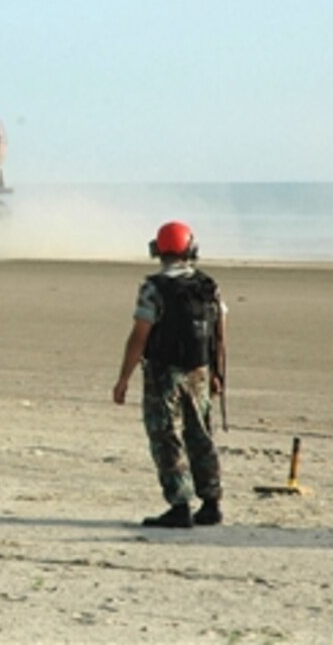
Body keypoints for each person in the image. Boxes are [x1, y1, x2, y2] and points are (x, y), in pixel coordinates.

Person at [112, 221, 226, 528]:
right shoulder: (208, 286)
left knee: (166, 437)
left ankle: (179, 506)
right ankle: (211, 502)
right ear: (191, 249)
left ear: (157, 250)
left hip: (164, 374)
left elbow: (139, 336)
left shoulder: (153, 289)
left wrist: (123, 378)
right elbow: (218, 334)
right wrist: (217, 374)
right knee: (201, 435)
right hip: (199, 371)